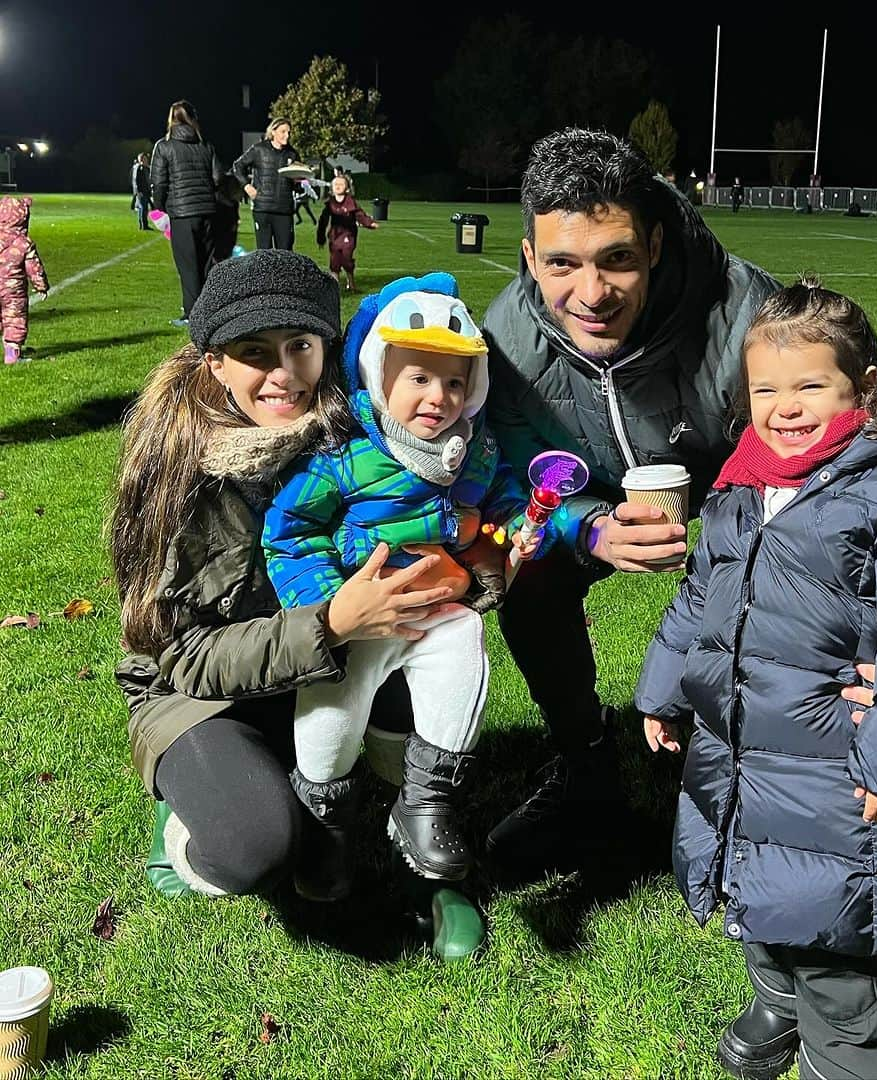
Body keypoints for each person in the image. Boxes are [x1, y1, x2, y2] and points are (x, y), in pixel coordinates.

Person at [636, 277, 877, 1079]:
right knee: (762, 895)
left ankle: (853, 1057)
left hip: (842, 776)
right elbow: (702, 593)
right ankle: (779, 999)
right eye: (766, 388)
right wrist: (664, 688)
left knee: (848, 950)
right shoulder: (741, 484)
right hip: (744, 759)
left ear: (862, 390)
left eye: (809, 386)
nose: (784, 407)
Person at [109, 250, 483, 959]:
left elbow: (442, 531)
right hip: (199, 691)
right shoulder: (174, 464)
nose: (282, 374)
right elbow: (179, 656)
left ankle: (435, 873)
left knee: (434, 708)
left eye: (300, 347)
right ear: (214, 361)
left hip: (335, 657)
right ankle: (189, 828)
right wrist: (332, 623)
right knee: (255, 844)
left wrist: (477, 571)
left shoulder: (365, 430)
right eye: (255, 353)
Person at [480, 127, 780, 877]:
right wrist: (589, 530)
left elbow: (811, 474)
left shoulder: (747, 315)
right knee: (526, 565)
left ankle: (755, 767)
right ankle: (585, 768)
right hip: (590, 491)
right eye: (562, 264)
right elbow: (517, 480)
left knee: (778, 572)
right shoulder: (507, 337)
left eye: (616, 258)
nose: (591, 294)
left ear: (652, 243)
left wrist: (723, 554)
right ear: (529, 259)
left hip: (727, 484)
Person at [262, 273, 550, 902]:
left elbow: (499, 501)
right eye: (418, 378)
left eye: (454, 382)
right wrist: (327, 604)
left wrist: (512, 530)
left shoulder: (471, 452)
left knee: (465, 637)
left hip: (433, 608)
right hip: (358, 615)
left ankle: (426, 800)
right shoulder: (344, 455)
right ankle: (325, 821)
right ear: (378, 376)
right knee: (333, 708)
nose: (438, 397)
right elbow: (289, 529)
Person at [150, 100, 223, 327]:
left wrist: (159, 206)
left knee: (188, 264)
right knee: (206, 263)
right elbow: (218, 178)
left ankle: (193, 314)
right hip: (208, 211)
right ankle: (210, 309)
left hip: (182, 213)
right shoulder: (206, 145)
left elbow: (158, 182)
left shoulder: (164, 146)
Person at [231, 118, 302, 251]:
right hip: (263, 209)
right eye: (283, 131)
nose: (287, 135)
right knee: (264, 253)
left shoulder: (292, 154)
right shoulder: (259, 149)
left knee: (285, 254)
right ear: (273, 131)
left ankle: (283, 273)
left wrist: (299, 181)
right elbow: (237, 166)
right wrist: (247, 186)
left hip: (284, 210)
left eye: (289, 132)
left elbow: (296, 183)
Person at [0, 196, 49, 365]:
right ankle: (12, 355)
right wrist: (41, 286)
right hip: (14, 293)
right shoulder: (23, 244)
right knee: (14, 320)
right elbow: (34, 269)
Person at [316, 174, 378, 292]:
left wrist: (369, 223)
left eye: (341, 184)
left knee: (346, 258)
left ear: (347, 188)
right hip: (335, 235)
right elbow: (323, 221)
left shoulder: (351, 203)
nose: (338, 186)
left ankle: (351, 282)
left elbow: (360, 215)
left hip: (348, 235)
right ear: (332, 188)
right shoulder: (330, 204)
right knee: (334, 260)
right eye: (335, 184)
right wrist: (320, 238)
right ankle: (335, 285)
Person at [131, 152, 152, 230]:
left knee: (141, 208)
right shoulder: (139, 168)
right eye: (144, 159)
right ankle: (144, 226)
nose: (146, 160)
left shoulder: (145, 168)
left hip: (145, 191)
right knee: (144, 208)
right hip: (141, 191)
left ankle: (142, 225)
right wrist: (138, 191)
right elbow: (136, 181)